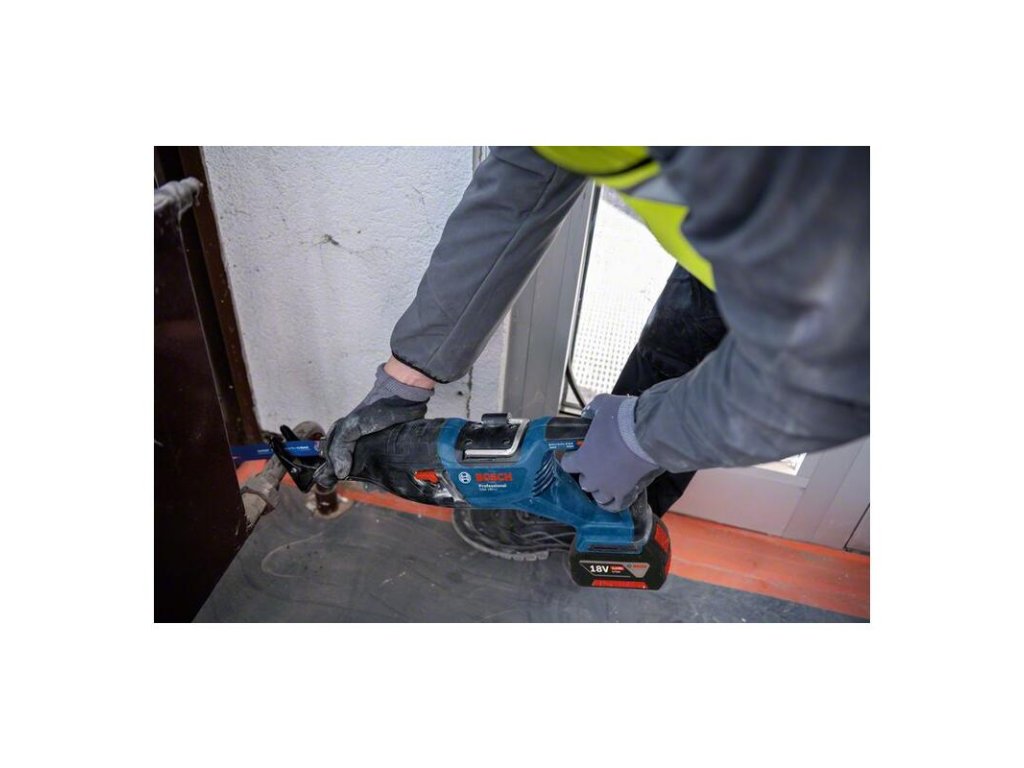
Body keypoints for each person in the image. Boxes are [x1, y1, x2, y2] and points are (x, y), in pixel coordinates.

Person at [313, 147, 869, 561]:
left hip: (840, 292)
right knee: (664, 363)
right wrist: (408, 374)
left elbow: (842, 364)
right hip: (743, 247)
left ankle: (604, 532)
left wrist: (648, 438)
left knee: (653, 431)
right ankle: (583, 513)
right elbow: (519, 191)